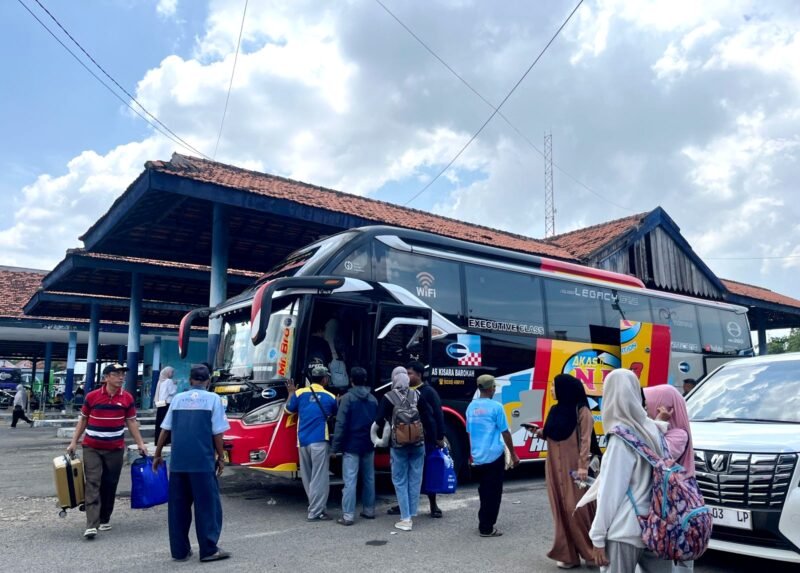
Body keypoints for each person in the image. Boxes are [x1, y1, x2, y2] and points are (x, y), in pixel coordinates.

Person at [586, 369, 670, 573]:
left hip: (626, 529)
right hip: (659, 524)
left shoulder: (620, 439)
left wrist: (597, 537)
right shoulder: (654, 430)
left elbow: (610, 493)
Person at [153, 364, 231, 562]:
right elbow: (217, 433)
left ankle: (179, 551)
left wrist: (157, 454)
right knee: (207, 507)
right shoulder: (213, 399)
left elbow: (165, 430)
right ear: (208, 382)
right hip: (202, 463)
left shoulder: (178, 399)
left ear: (189, 381)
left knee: (178, 508)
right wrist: (221, 457)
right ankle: (209, 549)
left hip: (178, 463)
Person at [67, 363, 148, 539]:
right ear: (106, 377)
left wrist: (140, 443)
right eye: (116, 374)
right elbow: (83, 420)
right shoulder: (92, 396)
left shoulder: (127, 398)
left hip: (115, 448)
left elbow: (131, 422)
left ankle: (104, 517)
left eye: (122, 374)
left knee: (110, 483)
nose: (121, 377)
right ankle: (91, 523)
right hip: (92, 447)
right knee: (93, 482)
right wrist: (74, 441)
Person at [531, 374, 598, 569]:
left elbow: (586, 440)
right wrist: (538, 432)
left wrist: (583, 466)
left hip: (574, 469)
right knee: (560, 509)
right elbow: (552, 432)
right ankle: (569, 556)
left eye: (554, 386)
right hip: (553, 467)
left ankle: (592, 552)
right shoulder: (555, 410)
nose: (552, 389)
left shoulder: (582, 410)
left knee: (576, 509)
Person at [644, 384, 696, 572]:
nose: (645, 409)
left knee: (676, 557)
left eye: (648, 404)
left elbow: (655, 456)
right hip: (664, 505)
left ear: (663, 407)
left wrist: (658, 424)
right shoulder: (662, 431)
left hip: (675, 508)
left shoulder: (679, 435)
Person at [374, 368, 433, 531]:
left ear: (393, 379)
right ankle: (412, 512)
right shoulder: (417, 395)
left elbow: (378, 419)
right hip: (418, 444)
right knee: (415, 478)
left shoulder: (389, 397)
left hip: (398, 445)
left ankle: (405, 518)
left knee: (400, 480)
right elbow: (429, 415)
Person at [466, 374, 519, 538]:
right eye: (494, 387)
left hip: (477, 456)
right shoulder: (496, 407)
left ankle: (483, 521)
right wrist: (514, 454)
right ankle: (486, 527)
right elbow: (505, 432)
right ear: (491, 388)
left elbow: (469, 432)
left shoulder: (470, 407)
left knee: (484, 490)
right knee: (494, 493)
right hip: (494, 455)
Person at [285, 365, 338, 521]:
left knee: (308, 478)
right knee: (320, 477)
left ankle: (316, 507)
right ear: (325, 379)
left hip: (302, 441)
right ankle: (315, 511)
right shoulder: (330, 397)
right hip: (320, 440)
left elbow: (288, 410)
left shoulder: (299, 393)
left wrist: (290, 393)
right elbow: (335, 414)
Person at [331, 366, 378, 525]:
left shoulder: (347, 398)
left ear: (351, 380)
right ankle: (369, 510)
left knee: (350, 481)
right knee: (369, 478)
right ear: (364, 380)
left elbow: (340, 424)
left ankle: (348, 516)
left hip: (351, 445)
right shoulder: (373, 399)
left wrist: (335, 447)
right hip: (369, 443)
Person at [153, 366, 177, 444]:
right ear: (168, 373)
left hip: (161, 403)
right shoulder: (169, 381)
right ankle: (166, 440)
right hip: (167, 404)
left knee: (159, 422)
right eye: (171, 372)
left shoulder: (160, 381)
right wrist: (175, 384)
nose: (172, 374)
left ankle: (158, 440)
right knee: (166, 423)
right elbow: (172, 392)